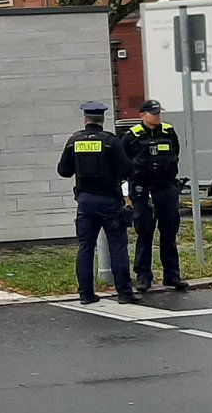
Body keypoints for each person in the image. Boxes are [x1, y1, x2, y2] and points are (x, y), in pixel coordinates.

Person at [57, 102, 140, 305]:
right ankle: (124, 293)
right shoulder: (110, 141)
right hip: (109, 202)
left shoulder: (74, 141)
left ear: (85, 119)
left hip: (85, 202)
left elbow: (63, 170)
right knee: (118, 247)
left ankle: (86, 294)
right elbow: (127, 169)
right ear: (102, 119)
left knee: (85, 247)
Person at [123, 99, 189, 292]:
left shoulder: (168, 132)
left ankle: (172, 275)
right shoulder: (131, 137)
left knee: (169, 233)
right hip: (144, 191)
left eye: (159, 113)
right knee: (145, 234)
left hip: (166, 189)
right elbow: (124, 164)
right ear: (142, 115)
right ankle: (143, 277)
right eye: (154, 113)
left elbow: (175, 152)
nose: (158, 116)